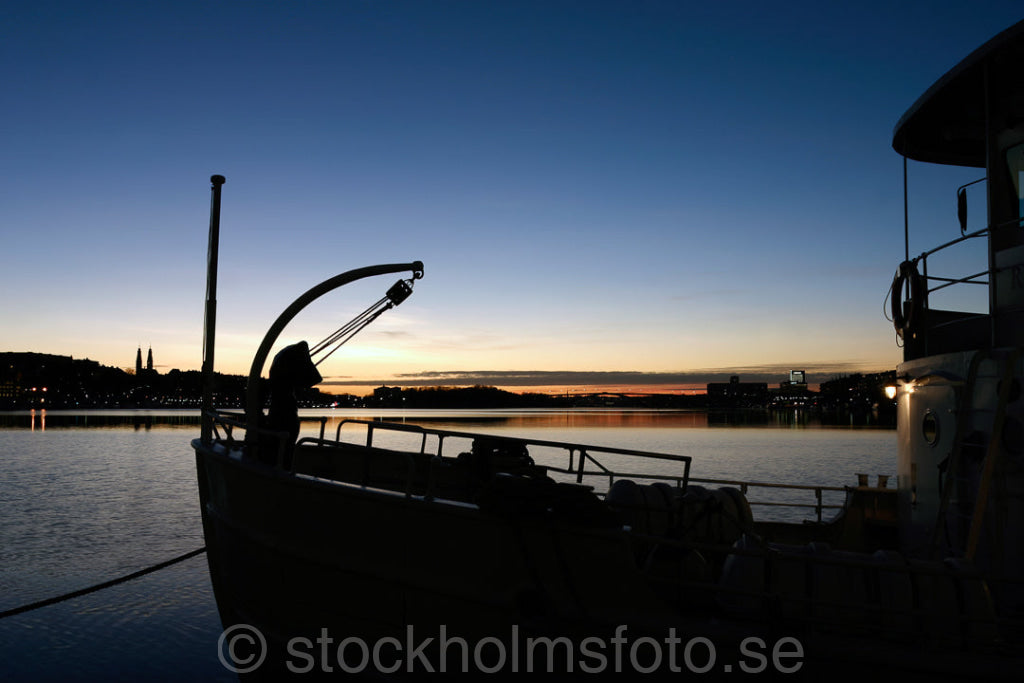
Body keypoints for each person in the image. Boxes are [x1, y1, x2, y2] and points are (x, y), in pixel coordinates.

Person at [261, 340, 322, 467]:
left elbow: (313, 379)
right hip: (287, 418)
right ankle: (283, 468)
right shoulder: (285, 383)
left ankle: (280, 468)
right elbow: (315, 379)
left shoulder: (279, 370)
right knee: (285, 450)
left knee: (280, 449)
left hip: (280, 416)